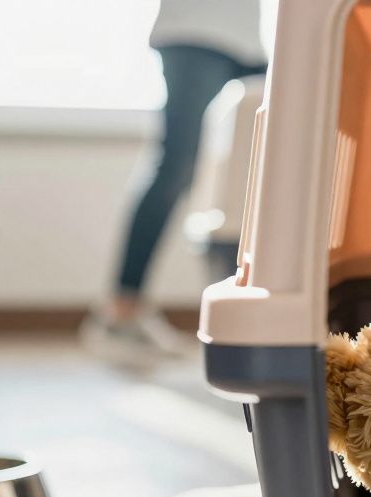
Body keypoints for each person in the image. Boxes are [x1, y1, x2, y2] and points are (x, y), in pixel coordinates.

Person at [82, 0, 268, 363]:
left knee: (273, 161)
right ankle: (121, 312)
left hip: (249, 39)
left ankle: (266, 306)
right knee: (176, 165)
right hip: (195, 29)